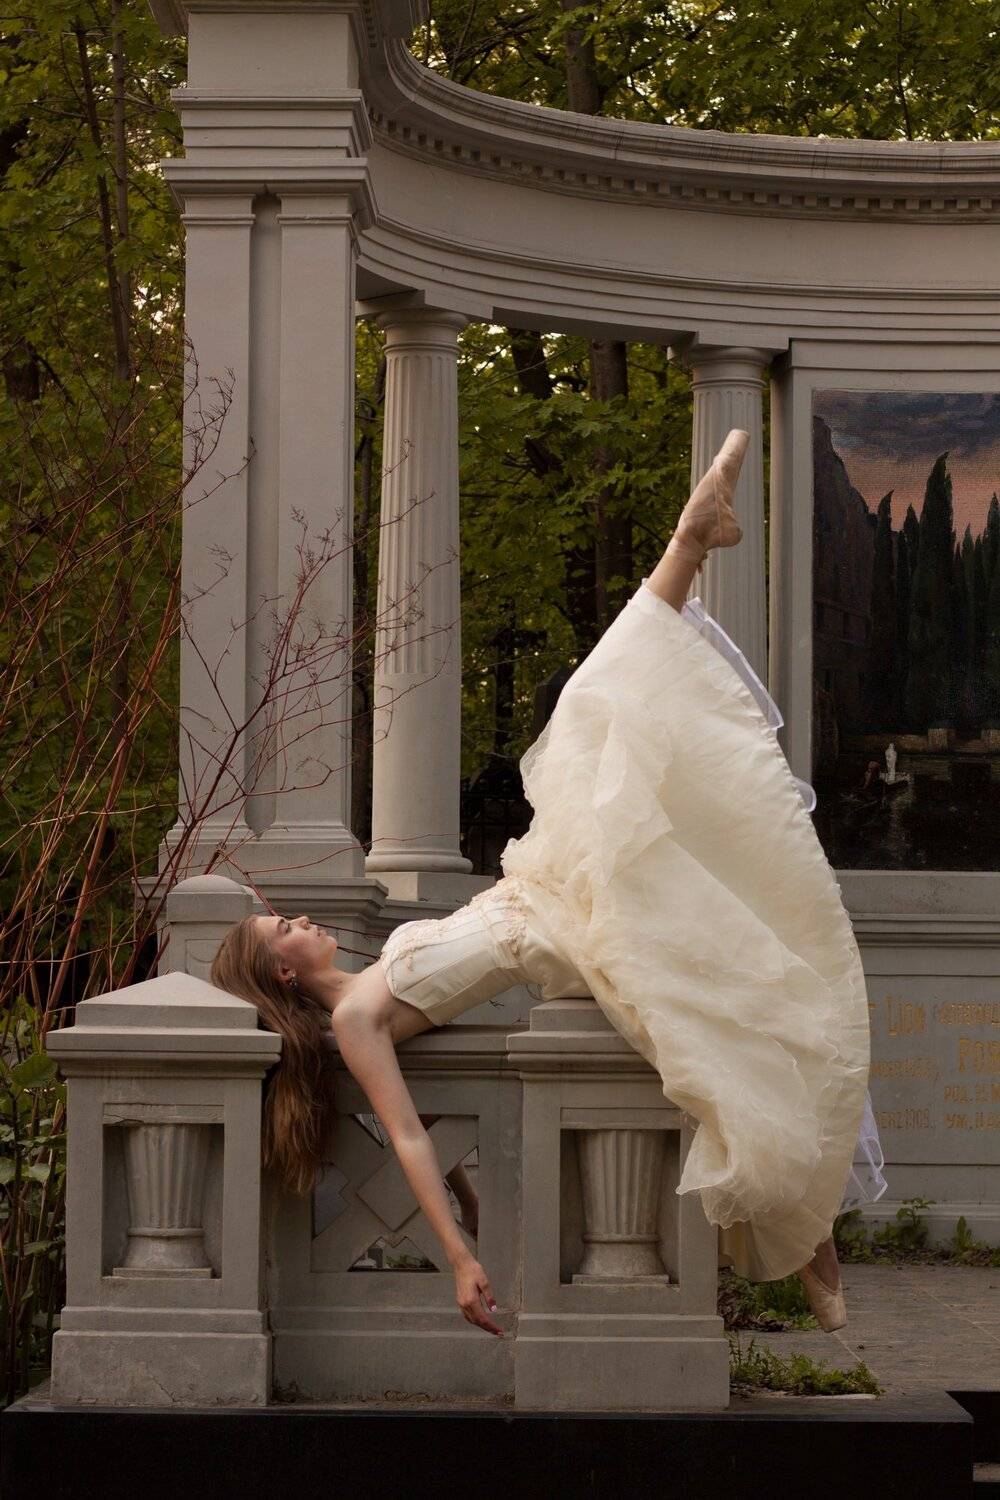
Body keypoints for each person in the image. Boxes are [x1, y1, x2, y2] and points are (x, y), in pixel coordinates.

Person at [210, 430, 886, 1340]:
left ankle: (690, 544)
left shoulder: (369, 984)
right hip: (558, 930)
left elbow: (427, 1130)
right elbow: (407, 1134)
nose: (298, 918)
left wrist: (473, 1202)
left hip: (542, 898)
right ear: (284, 974)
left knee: (604, 747)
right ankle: (811, 1231)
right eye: (283, 929)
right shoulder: (356, 1019)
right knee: (601, 754)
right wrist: (462, 1256)